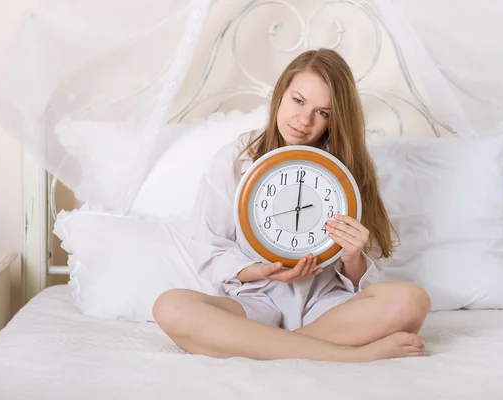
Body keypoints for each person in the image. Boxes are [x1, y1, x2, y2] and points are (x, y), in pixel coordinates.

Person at [153, 48, 431, 362]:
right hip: (255, 301)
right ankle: (349, 356)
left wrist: (353, 255)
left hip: (326, 305)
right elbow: (208, 249)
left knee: (412, 300)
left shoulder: (349, 171)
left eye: (322, 112)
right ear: (281, 94)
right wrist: (260, 271)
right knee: (170, 306)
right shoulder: (234, 159)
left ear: (335, 119)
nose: (304, 120)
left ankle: (263, 346)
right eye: (298, 101)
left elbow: (367, 273)